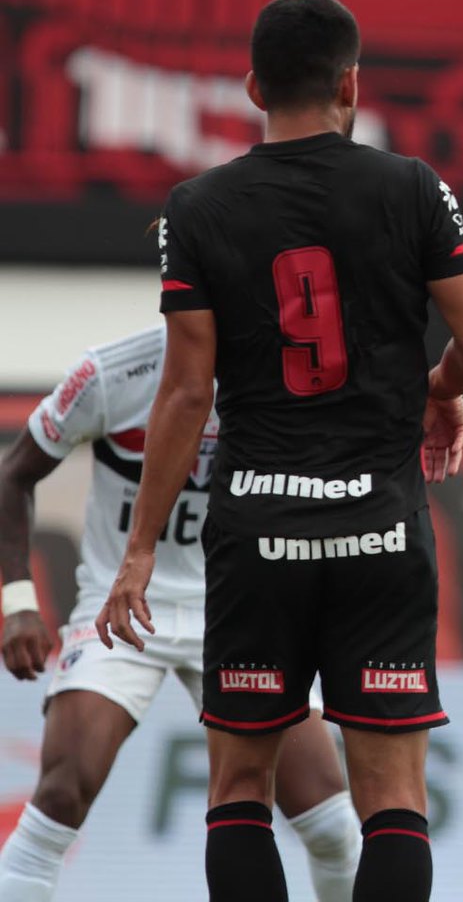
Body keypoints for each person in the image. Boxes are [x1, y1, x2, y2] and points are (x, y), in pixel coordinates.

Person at [94, 0, 463, 902]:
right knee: (393, 799)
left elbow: (187, 391)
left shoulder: (196, 208)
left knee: (239, 789)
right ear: (352, 84)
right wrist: (436, 396)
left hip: (257, 535)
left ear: (250, 88)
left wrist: (139, 550)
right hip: (381, 529)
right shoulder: (412, 187)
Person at [0, 325, 362, 901]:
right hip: (119, 605)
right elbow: (14, 474)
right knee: (59, 801)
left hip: (237, 606)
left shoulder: (281, 371)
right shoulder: (112, 372)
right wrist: (17, 599)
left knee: (332, 823)